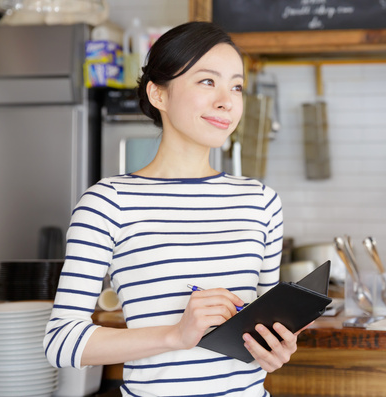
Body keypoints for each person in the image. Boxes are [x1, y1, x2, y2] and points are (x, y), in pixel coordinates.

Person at [44, 21, 298, 397]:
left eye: (237, 86)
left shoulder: (261, 201)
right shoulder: (108, 202)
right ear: (158, 94)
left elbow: (265, 320)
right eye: (207, 81)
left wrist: (276, 344)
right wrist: (176, 335)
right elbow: (61, 342)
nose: (227, 101)